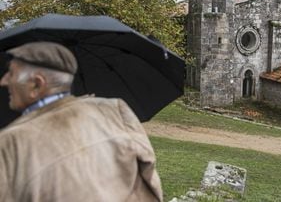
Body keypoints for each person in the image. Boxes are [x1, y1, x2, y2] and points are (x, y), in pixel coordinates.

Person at [0, 42, 163, 201]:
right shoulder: (114, 110)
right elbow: (150, 181)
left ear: (37, 84)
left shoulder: (9, 143)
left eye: (11, 73)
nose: (4, 81)